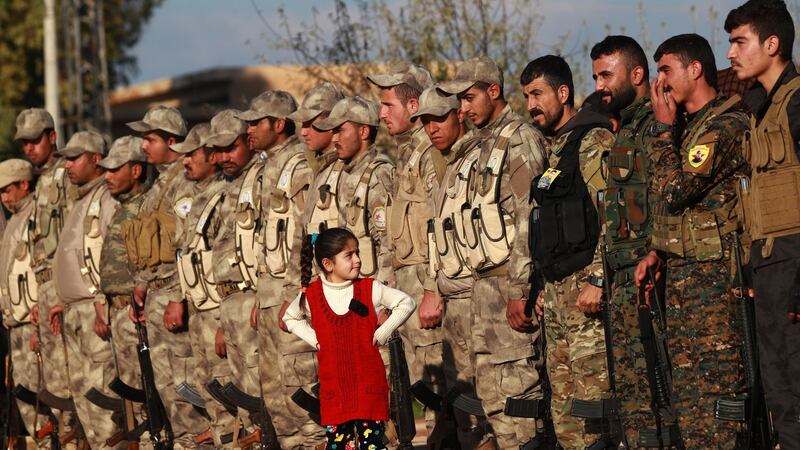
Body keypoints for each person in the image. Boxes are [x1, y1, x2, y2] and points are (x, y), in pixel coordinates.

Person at [635, 33, 750, 448]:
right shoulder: (687, 128)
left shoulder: (727, 122)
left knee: (719, 399)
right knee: (690, 402)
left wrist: (663, 130)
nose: (659, 80)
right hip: (684, 278)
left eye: (666, 69)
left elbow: (676, 189)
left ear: (695, 69)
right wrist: (656, 250)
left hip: (716, 282)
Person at [438, 56, 548, 449]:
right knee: (492, 402)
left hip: (507, 290)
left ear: (494, 92)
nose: (463, 110)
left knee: (517, 399)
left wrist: (520, 290)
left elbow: (527, 219)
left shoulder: (518, 139)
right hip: (481, 294)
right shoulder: (476, 147)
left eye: (469, 99)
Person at [521, 55, 615, 449]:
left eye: (537, 94)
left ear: (563, 93)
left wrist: (597, 277)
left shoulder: (592, 141)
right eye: (526, 96)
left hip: (585, 294)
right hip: (558, 295)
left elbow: (613, 213)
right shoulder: (556, 149)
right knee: (564, 412)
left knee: (593, 409)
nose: (531, 105)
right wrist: (540, 285)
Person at [590, 35, 673, 446]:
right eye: (596, 76)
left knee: (659, 393)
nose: (599, 85)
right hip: (622, 280)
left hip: (649, 280)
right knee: (633, 397)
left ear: (637, 74)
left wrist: (656, 257)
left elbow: (667, 196)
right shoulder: (624, 130)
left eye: (607, 74)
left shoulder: (654, 124)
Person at [725, 1, 800, 446]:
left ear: (772, 44)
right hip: (771, 269)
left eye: (739, 41)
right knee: (781, 395)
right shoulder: (759, 111)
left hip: (793, 267)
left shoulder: (796, 102)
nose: (730, 53)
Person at [282, 227, 416, 450]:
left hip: (368, 390)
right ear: (328, 264)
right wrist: (317, 340)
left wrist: (382, 333)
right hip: (335, 393)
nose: (357, 260)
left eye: (357, 253)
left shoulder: (370, 288)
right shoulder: (312, 294)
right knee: (338, 445)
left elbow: (406, 303)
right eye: (349, 255)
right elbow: (291, 317)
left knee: (372, 444)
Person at [367, 63, 446, 434]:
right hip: (408, 290)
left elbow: (442, 227)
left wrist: (433, 288)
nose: (381, 113)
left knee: (441, 399)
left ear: (413, 105)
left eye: (388, 105)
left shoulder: (431, 153)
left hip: (427, 292)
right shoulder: (406, 155)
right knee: (420, 389)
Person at [125, 105, 209, 445]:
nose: (144, 147)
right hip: (155, 299)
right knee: (168, 393)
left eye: (150, 139)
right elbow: (152, 247)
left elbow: (185, 246)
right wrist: (141, 289)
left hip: (174, 300)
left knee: (185, 390)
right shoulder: (160, 184)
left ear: (171, 141)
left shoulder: (182, 185)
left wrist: (177, 295)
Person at [268, 82, 345, 449]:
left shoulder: (338, 172)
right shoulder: (321, 172)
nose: (304, 132)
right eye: (302, 125)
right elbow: (305, 246)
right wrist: (298, 295)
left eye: (313, 124)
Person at [415, 85, 487, 448]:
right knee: (464, 411)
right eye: (425, 121)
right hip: (454, 302)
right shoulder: (448, 162)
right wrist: (433, 287)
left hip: (479, 300)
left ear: (459, 113)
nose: (432, 128)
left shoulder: (479, 157)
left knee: (484, 412)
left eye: (439, 118)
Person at [48, 131, 122, 448]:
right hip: (74, 312)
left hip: (95, 312)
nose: (67, 166)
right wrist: (59, 301)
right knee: (84, 401)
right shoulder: (79, 201)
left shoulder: (106, 198)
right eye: (65, 159)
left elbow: (113, 256)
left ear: (96, 159)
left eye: (75, 158)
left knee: (102, 396)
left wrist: (101, 304)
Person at [203, 108, 269, 440]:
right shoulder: (227, 185)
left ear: (248, 140)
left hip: (252, 296)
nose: (223, 156)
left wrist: (261, 296)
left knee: (261, 397)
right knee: (242, 403)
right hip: (229, 301)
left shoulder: (262, 177)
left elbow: (268, 244)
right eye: (217, 150)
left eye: (231, 147)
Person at [171, 123, 237, 447]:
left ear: (212, 156)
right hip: (199, 312)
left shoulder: (224, 195)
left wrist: (225, 320)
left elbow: (228, 261)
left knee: (228, 398)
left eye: (192, 154)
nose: (185, 161)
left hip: (216, 312)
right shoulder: (198, 197)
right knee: (209, 395)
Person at [14, 108, 77, 441]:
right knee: (54, 385)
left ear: (52, 136)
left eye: (35, 140)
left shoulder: (66, 175)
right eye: (24, 142)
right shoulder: (41, 184)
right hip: (46, 291)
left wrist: (62, 292)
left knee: (70, 384)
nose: (29, 148)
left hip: (62, 291)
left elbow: (71, 238)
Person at [95, 135, 152, 448]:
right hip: (116, 312)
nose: (107, 175)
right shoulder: (119, 208)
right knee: (131, 401)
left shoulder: (147, 206)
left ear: (136, 171)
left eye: (115, 168)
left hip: (136, 312)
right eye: (105, 169)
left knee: (146, 397)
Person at [0, 159, 46, 441]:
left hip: (33, 323)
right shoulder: (14, 219)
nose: (3, 197)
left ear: (24, 185)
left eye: (7, 190)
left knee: (42, 399)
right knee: (26, 401)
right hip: (15, 323)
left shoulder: (36, 217)